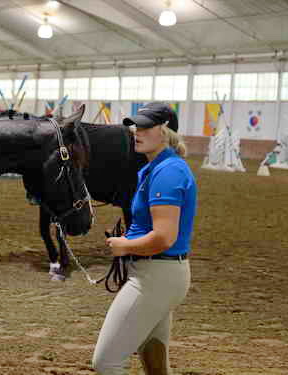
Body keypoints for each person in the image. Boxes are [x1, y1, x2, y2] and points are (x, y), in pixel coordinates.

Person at [92, 102, 197, 375]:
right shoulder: (156, 168)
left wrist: (123, 245)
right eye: (136, 126)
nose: (136, 131)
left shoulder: (168, 172)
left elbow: (163, 237)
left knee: (107, 363)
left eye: (145, 127)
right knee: (154, 363)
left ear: (164, 132)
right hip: (157, 273)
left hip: (155, 276)